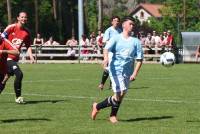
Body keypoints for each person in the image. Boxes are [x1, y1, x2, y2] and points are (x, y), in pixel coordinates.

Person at [91, 16, 143, 123]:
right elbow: (106, 48)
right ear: (124, 25)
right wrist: (105, 59)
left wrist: (134, 73)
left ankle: (97, 106)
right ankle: (112, 116)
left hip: (127, 72)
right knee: (119, 93)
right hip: (115, 69)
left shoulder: (136, 42)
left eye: (133, 24)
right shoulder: (116, 38)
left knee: (120, 96)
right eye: (130, 24)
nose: (132, 26)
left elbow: (139, 59)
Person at [0, 11, 35, 104]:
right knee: (19, 74)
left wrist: (31, 57)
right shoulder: (11, 27)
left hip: (14, 58)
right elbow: (1, 38)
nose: (24, 19)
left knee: (5, 78)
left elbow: (28, 45)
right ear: (18, 18)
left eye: (25, 17)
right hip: (6, 57)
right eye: (22, 17)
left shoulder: (26, 32)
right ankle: (18, 97)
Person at [98, 16, 122, 90]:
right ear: (112, 22)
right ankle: (102, 83)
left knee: (116, 68)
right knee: (108, 68)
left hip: (117, 53)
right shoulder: (108, 30)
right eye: (115, 20)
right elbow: (104, 41)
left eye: (117, 21)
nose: (116, 22)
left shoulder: (120, 31)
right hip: (110, 52)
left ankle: (112, 85)